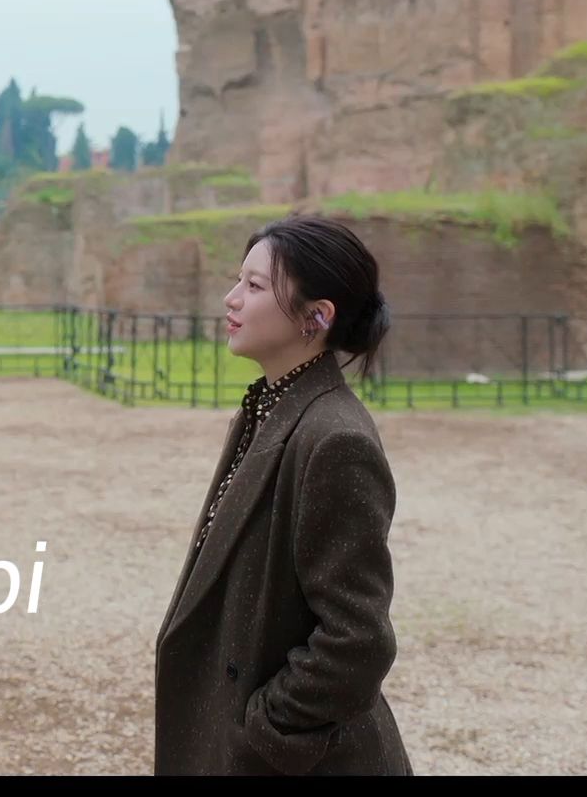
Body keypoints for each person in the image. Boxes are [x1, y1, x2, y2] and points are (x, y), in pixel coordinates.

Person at [154, 213, 409, 775]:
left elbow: (357, 640)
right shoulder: (269, 410)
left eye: (254, 286)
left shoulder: (334, 438)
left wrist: (263, 733)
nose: (231, 299)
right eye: (237, 280)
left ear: (317, 316)